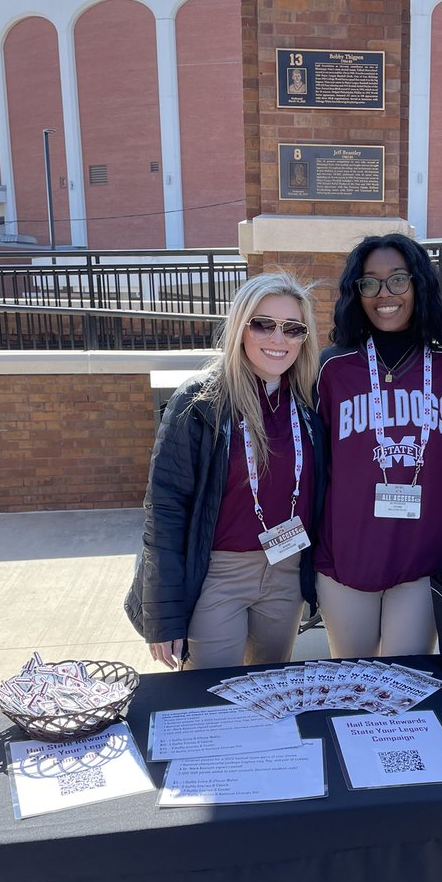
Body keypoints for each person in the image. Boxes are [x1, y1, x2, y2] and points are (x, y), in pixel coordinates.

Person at [125, 271, 325, 670]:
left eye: (293, 329)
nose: (277, 339)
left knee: (269, 695)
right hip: (218, 574)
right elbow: (165, 512)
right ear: (240, 328)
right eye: (263, 324)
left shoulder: (309, 402)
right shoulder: (200, 401)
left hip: (286, 573)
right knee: (211, 698)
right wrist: (163, 616)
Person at [315, 233, 442, 657]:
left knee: (406, 690)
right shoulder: (333, 368)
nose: (385, 294)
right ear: (356, 292)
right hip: (346, 559)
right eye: (370, 283)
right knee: (353, 688)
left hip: (422, 561)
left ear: (419, 284)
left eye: (398, 279)